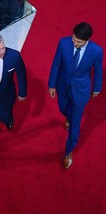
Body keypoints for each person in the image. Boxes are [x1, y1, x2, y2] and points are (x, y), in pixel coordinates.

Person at [48, 22, 103, 169]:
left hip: (81, 90)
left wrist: (97, 88)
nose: (74, 42)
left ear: (87, 40)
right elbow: (55, 64)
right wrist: (52, 84)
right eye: (74, 38)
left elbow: (98, 71)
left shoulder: (97, 51)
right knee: (63, 108)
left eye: (78, 42)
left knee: (75, 124)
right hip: (62, 85)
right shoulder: (63, 43)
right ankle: (68, 116)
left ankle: (68, 151)